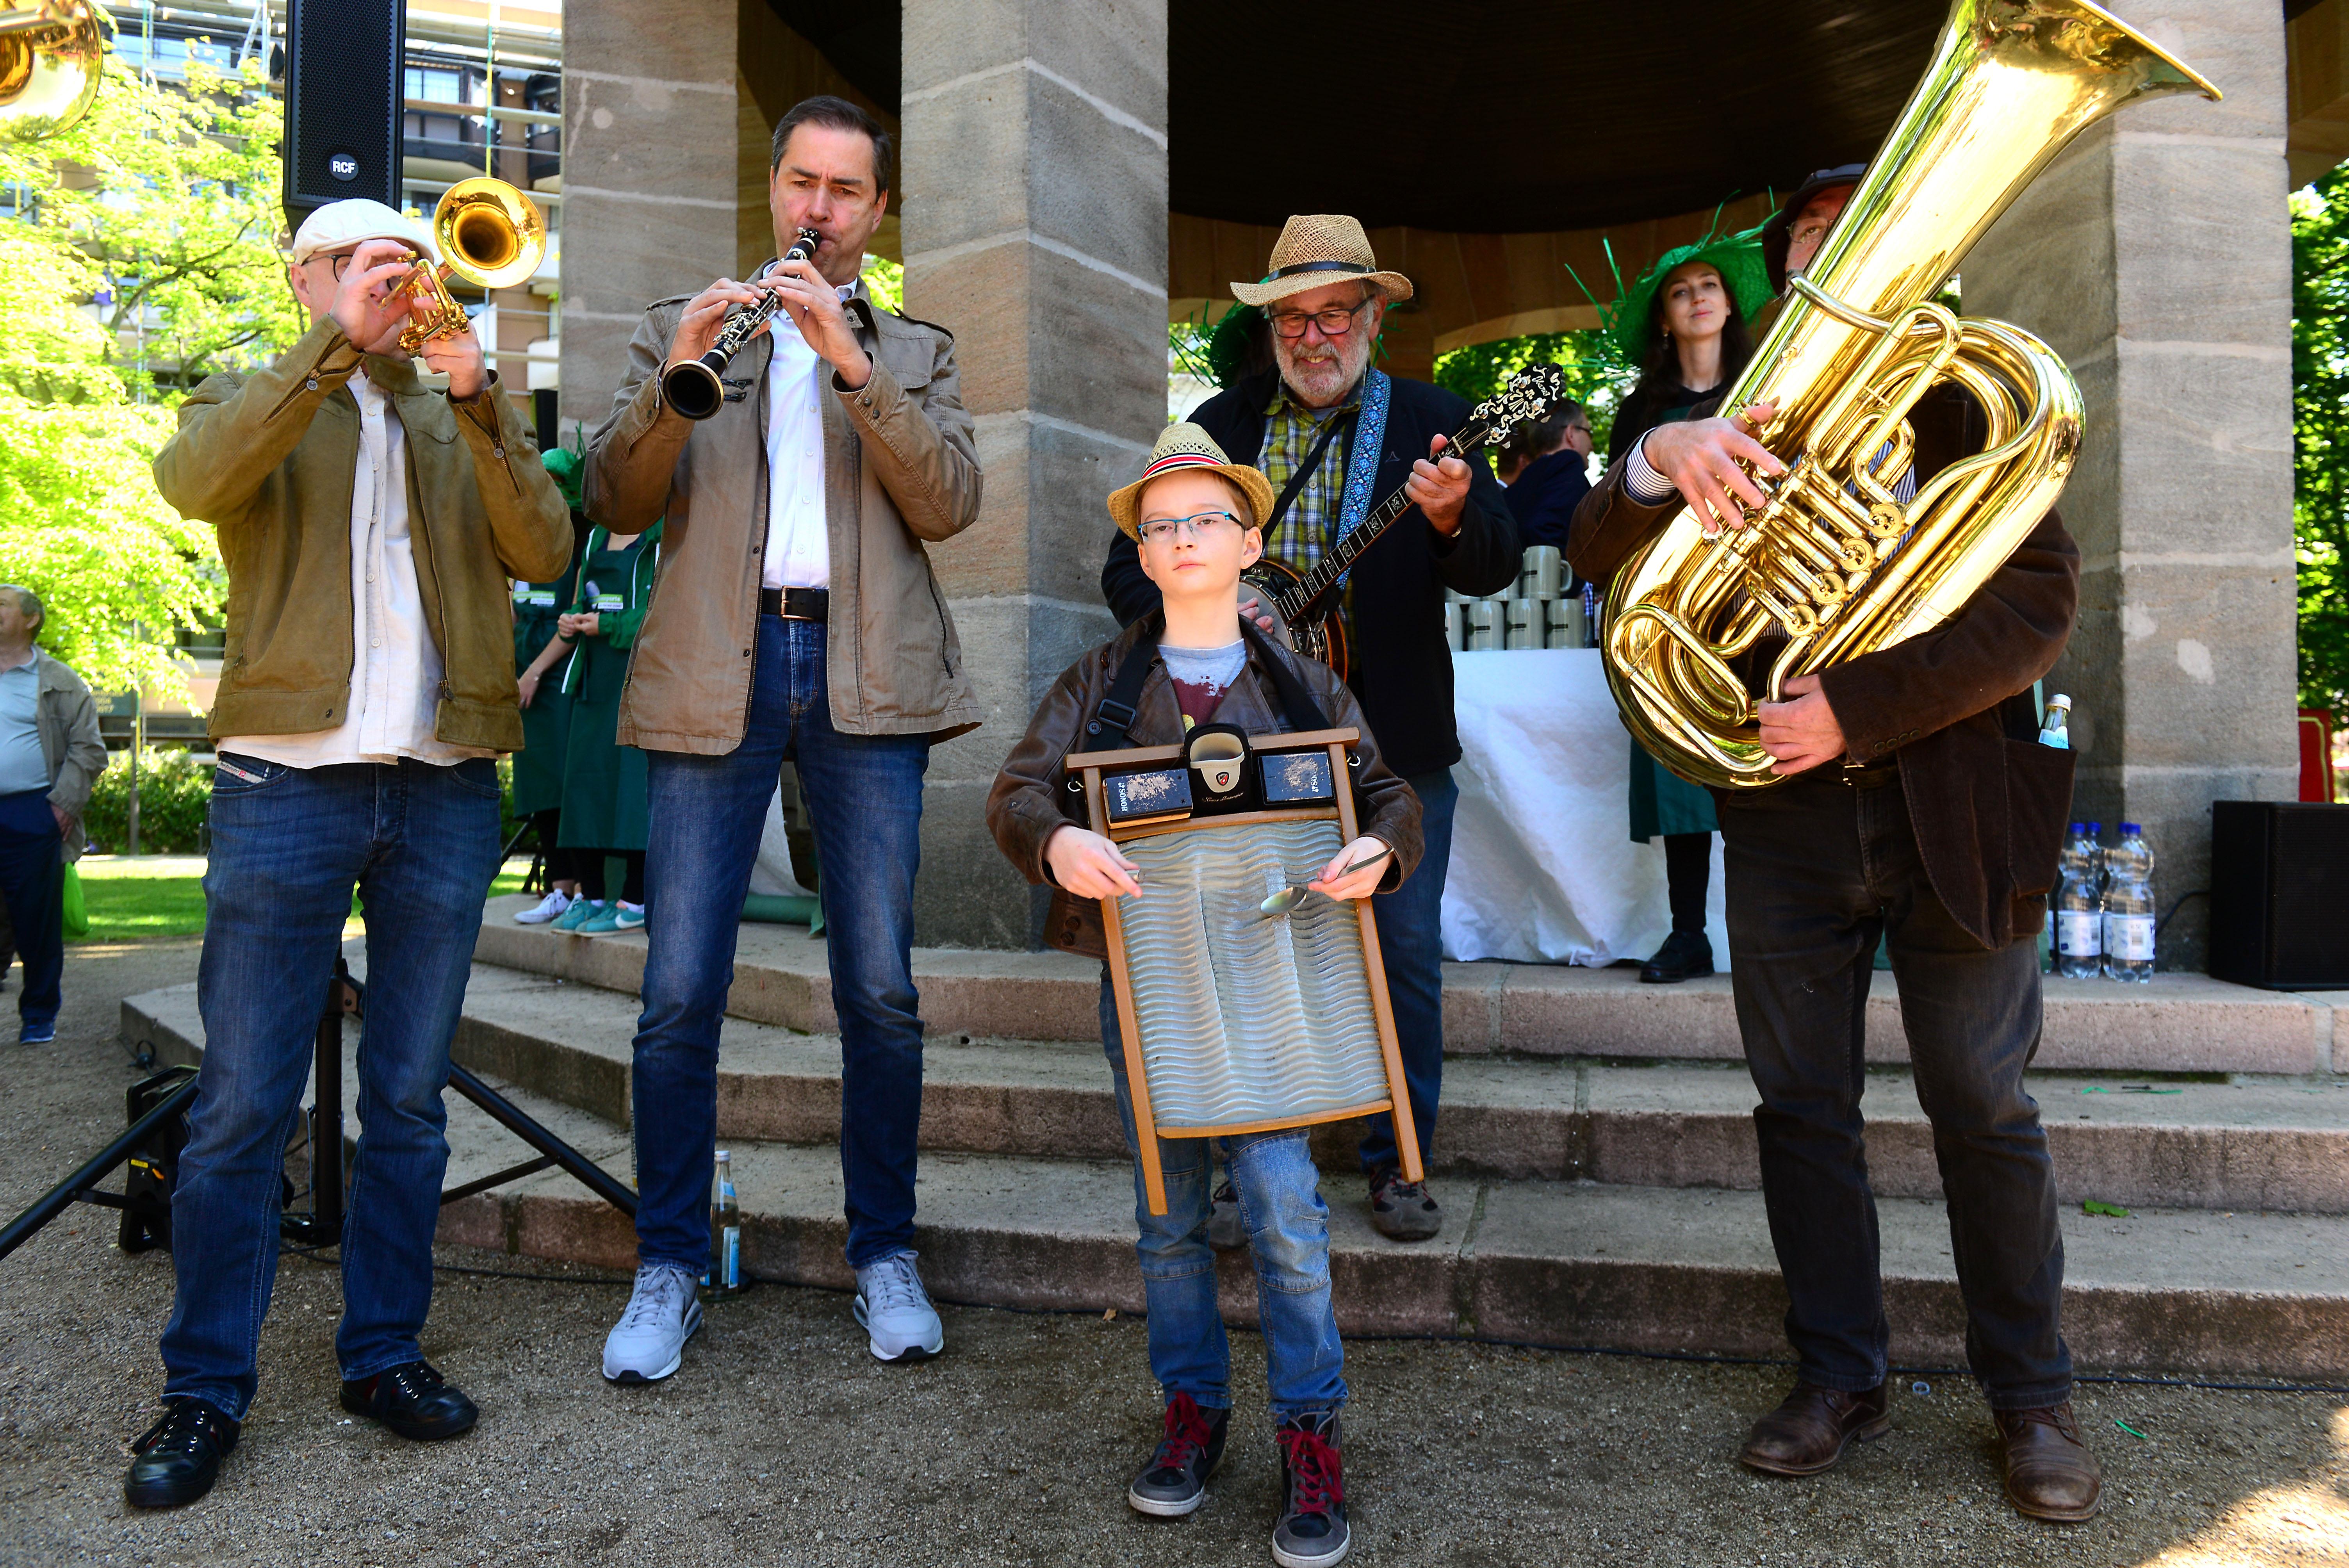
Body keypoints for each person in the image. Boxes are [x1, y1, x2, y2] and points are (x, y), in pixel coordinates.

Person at [1566, 171, 2096, 1522]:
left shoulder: (1966, 406)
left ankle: (2031, 1397)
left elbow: (2033, 607)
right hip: (1786, 826)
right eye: (1812, 244)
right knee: (1802, 1112)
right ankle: (1837, 1374)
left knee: (1983, 1107)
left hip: (1954, 812)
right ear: (1780, 278)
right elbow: (1589, 544)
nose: (1840, 261)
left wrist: (1851, 705)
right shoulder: (1727, 421)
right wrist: (1652, 460)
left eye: (1865, 237)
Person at [136, 198, 570, 1509]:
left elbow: (544, 548)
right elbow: (192, 479)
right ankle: (204, 1388)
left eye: (409, 264)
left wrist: (481, 392)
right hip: (286, 782)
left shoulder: (452, 407)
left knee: (409, 1101)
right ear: (307, 278)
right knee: (239, 1108)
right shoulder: (264, 391)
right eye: (367, 264)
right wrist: (333, 349)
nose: (397, 283)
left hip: (442, 785)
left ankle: (381, 1350)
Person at [584, 94, 982, 1377]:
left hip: (868, 673)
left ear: (877, 210)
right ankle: (667, 1263)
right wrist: (672, 373)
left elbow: (951, 501)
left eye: (845, 189)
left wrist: (854, 367)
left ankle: (884, 1253)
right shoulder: (681, 328)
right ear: (773, 191)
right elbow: (614, 502)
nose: (818, 206)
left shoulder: (917, 347)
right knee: (676, 990)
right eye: (800, 182)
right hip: (718, 663)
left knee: (879, 987)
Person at [990, 424, 1422, 1568]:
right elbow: (1019, 791)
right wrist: (1056, 847)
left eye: (1205, 518)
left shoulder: (1298, 677)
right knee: (1170, 1221)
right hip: (1150, 985)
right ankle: (1192, 1414)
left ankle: (1309, 1430)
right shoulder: (1101, 678)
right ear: (1142, 547)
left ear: (1248, 538)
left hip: (1274, 982)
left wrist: (1379, 849)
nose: (1184, 537)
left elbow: (1385, 792)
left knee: (1283, 1211)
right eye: (1162, 522)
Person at [1101, 214, 1518, 1244]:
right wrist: (1202, 602)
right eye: (1296, 317)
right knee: (1246, 948)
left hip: (1393, 745)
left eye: (1338, 313)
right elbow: (1123, 571)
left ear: (1373, 317)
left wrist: (1457, 515)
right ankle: (1252, 1163)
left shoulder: (1434, 423)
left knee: (1402, 955)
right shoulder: (1215, 429)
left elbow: (1496, 563)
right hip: (1239, 752)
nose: (1317, 336)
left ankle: (1400, 1163)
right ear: (1272, 327)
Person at [1600, 229, 1773, 985]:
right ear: (1665, 320)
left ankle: (1773, 935)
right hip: (1674, 607)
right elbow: (1609, 513)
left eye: (1707, 285)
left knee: (1769, 762)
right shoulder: (1639, 411)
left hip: (1766, 599)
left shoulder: (1773, 381)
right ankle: (1687, 934)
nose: (1697, 296)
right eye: (1680, 290)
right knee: (1678, 768)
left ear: (1727, 303)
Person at [545, 518, 660, 934]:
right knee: (583, 787)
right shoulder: (594, 535)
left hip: (639, 683)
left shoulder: (664, 533)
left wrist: (606, 625)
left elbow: (665, 612)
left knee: (634, 789)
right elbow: (582, 600)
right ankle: (591, 895)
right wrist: (572, 620)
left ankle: (635, 898)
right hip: (593, 682)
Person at [0, 585, 104, 1043]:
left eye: (1, 604)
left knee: (37, 920)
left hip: (33, 811)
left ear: (30, 619)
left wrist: (62, 803)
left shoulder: (62, 681)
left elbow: (89, 750)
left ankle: (39, 1016)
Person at [510, 447, 590, 926]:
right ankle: (557, 889)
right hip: (523, 683)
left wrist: (536, 671)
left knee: (568, 781)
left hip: (556, 680)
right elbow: (514, 609)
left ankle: (582, 887)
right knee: (539, 785)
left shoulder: (579, 547)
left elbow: (572, 620)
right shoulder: (524, 547)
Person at [1502, 401, 1595, 554]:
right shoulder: (1568, 461)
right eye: (1588, 432)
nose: (1592, 445)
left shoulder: (1517, 487)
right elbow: (1545, 528)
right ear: (1571, 433)